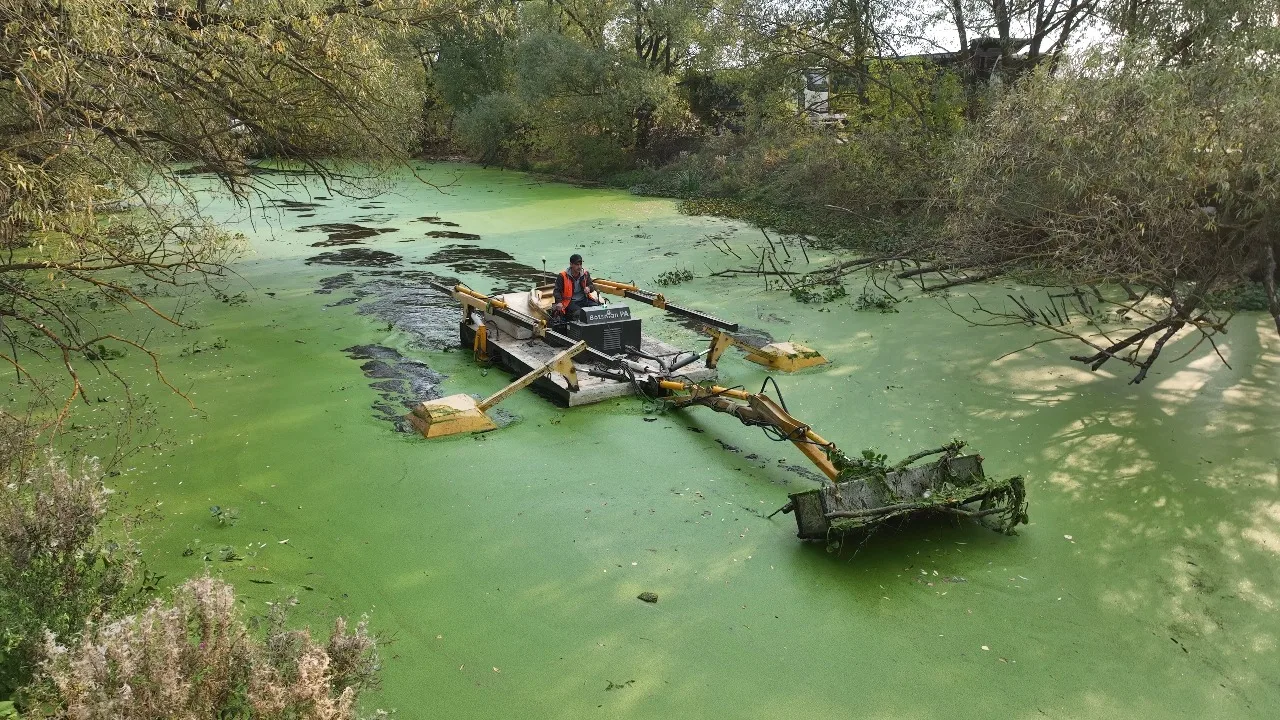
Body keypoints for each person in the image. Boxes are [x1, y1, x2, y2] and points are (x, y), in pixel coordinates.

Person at [552, 253, 603, 320]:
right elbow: (557, 291)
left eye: (580, 264)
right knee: (580, 314)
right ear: (571, 264)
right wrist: (559, 302)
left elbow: (592, 286)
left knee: (597, 309)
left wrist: (588, 288)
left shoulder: (585, 274)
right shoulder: (562, 276)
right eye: (577, 264)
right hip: (569, 302)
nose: (579, 267)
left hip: (584, 299)